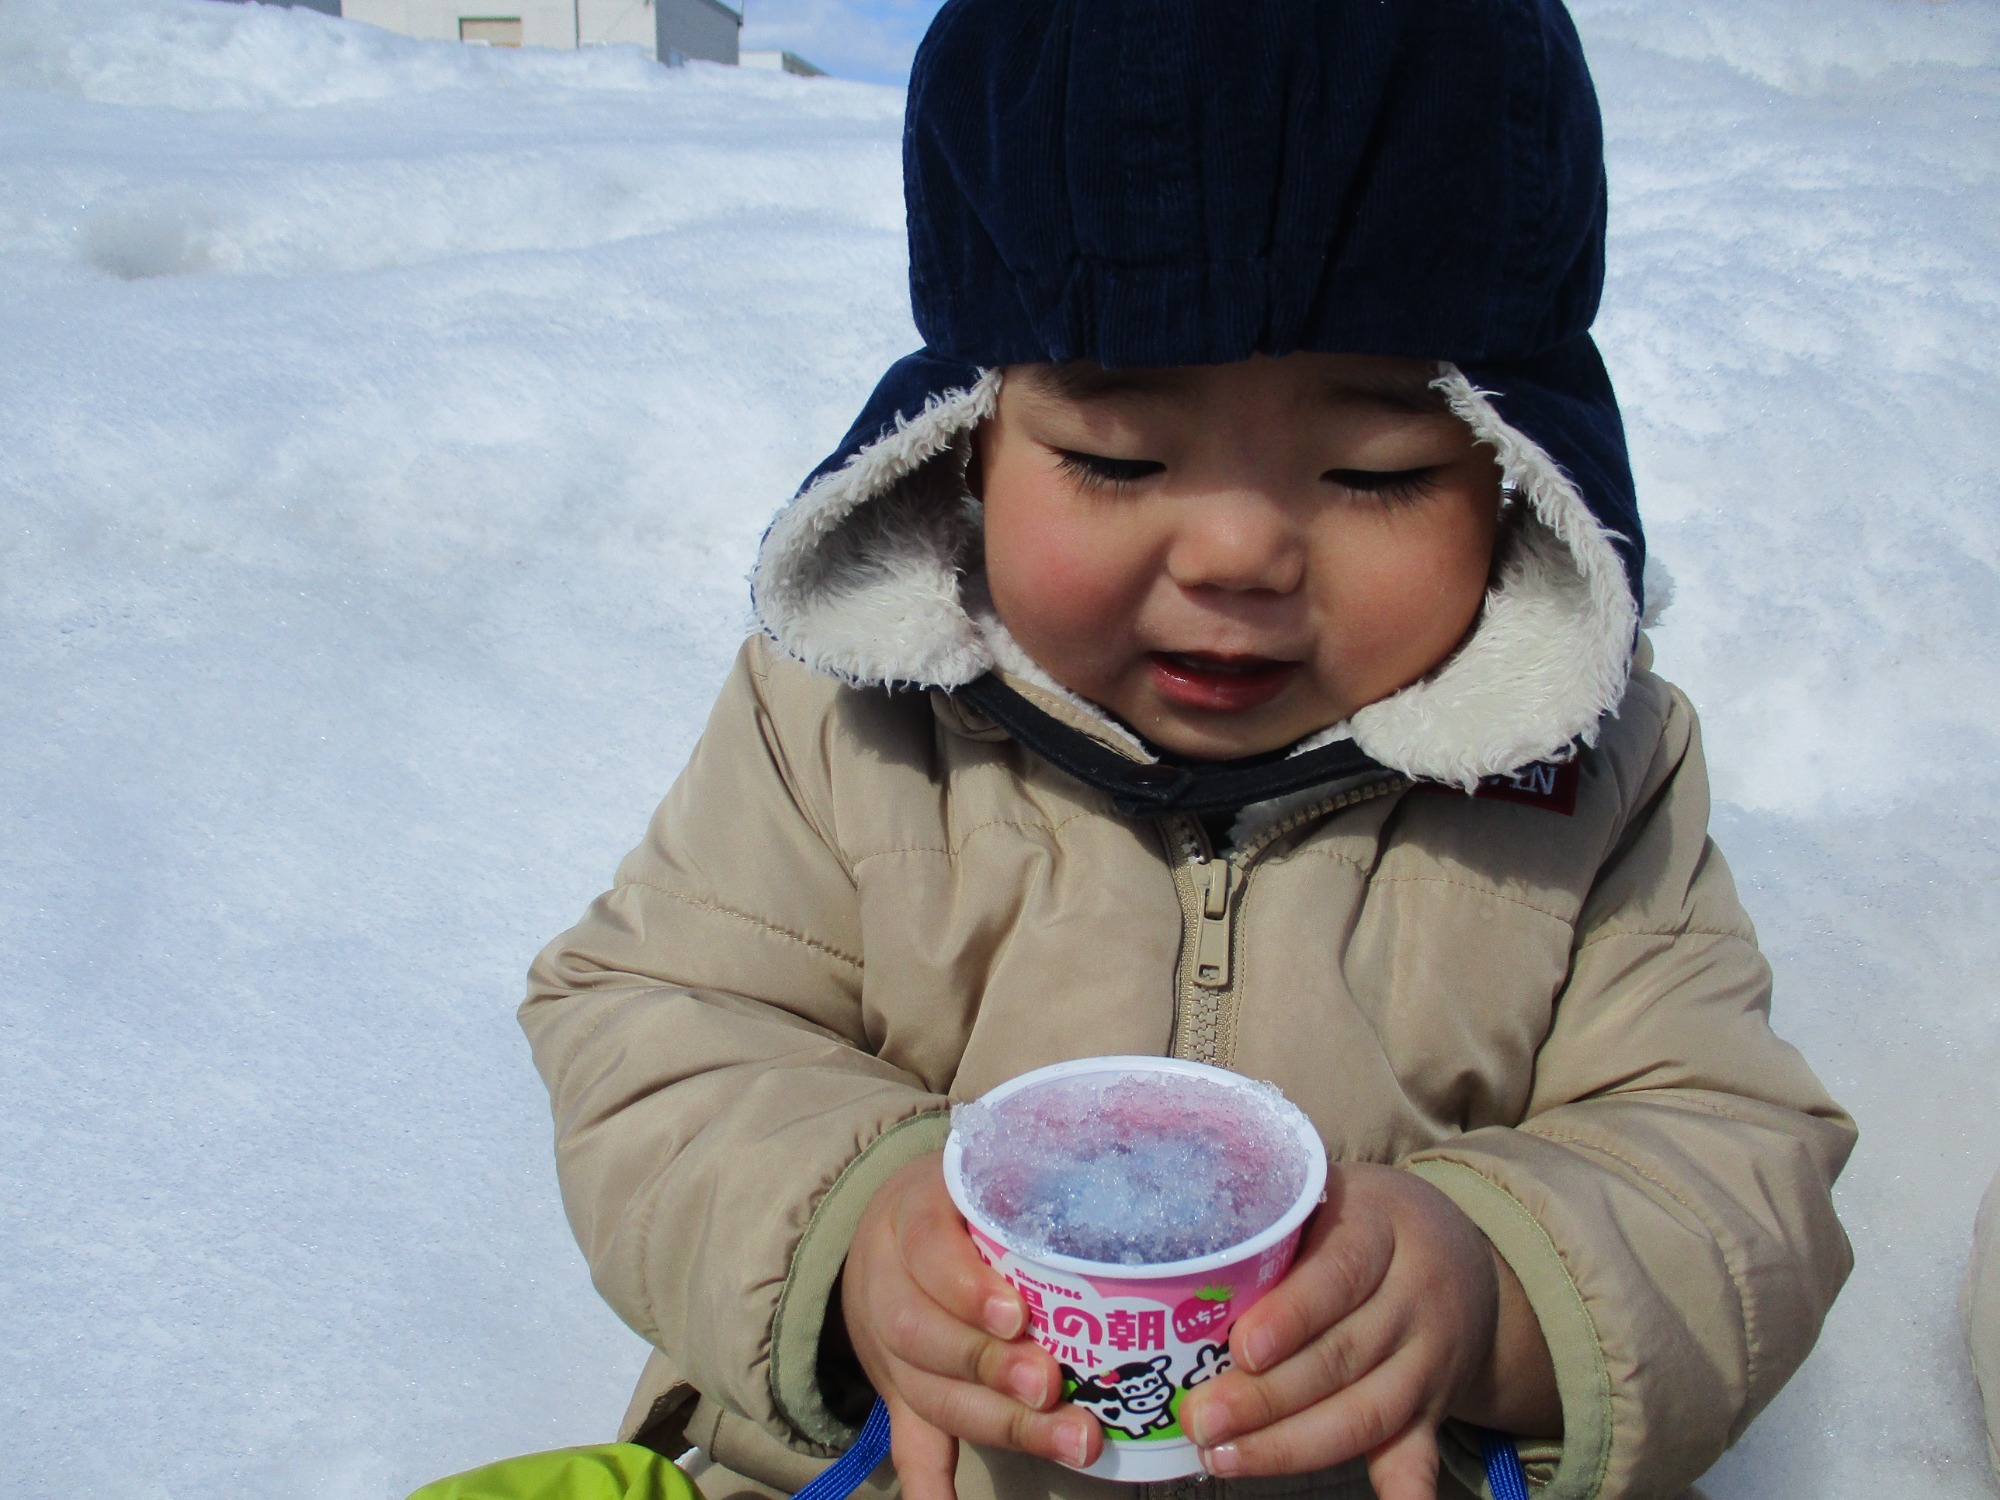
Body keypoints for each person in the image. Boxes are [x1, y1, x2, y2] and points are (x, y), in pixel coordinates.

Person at [519, 2, 1855, 1497]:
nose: (1236, 550)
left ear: (1517, 468)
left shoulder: (1591, 785)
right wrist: (852, 1226)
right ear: (967, 440)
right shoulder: (841, 724)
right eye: (1115, 457)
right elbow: (652, 1026)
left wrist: (1494, 1283)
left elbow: (1732, 1155)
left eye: (1374, 472)